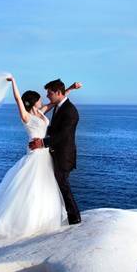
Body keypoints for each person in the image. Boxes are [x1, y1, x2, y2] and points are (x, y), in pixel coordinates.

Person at [0, 76, 82, 239]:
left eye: (48, 94)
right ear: (33, 102)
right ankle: (25, 223)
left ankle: (46, 219)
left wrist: (70, 88)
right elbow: (18, 100)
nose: (44, 99)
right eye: (41, 98)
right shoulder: (26, 117)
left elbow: (58, 99)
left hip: (46, 155)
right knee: (31, 189)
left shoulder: (41, 113)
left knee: (47, 188)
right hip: (35, 156)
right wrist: (13, 82)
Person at [28, 79, 81, 225]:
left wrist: (42, 142)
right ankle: (64, 215)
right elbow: (54, 129)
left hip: (65, 156)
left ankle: (74, 218)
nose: (47, 96)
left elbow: (62, 135)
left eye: (49, 93)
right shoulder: (60, 106)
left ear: (58, 92)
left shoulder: (70, 111)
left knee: (63, 185)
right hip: (56, 154)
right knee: (58, 185)